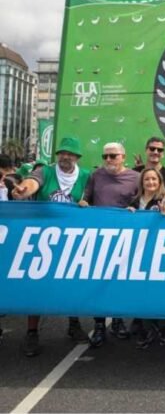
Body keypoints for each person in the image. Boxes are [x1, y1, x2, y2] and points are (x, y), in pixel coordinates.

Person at [11, 137, 91, 356]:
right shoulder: (45, 172)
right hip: (42, 240)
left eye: (70, 153)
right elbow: (32, 182)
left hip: (72, 240)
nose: (66, 156)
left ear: (77, 157)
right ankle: (31, 332)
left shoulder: (85, 176)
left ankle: (73, 324)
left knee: (72, 283)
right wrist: (24, 190)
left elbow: (90, 199)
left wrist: (86, 204)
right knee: (36, 285)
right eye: (62, 153)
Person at [80, 142, 140, 348]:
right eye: (105, 156)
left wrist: (133, 209)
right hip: (99, 239)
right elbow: (86, 199)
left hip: (125, 240)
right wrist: (83, 204)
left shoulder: (136, 177)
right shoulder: (95, 175)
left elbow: (142, 202)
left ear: (123, 157)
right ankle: (99, 325)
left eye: (113, 156)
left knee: (120, 282)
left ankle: (117, 320)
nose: (108, 160)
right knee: (99, 283)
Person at [127, 168, 165, 348]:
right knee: (140, 294)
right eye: (147, 179)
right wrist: (128, 213)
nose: (151, 182)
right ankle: (146, 329)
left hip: (158, 253)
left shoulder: (164, 199)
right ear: (142, 182)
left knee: (158, 294)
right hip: (138, 254)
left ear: (159, 182)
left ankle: (162, 328)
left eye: (154, 179)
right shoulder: (134, 200)